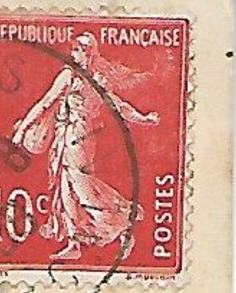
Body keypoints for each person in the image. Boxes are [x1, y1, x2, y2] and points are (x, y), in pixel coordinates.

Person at [9, 32, 160, 262]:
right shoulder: (82, 77)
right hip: (72, 136)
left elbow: (117, 106)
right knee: (66, 185)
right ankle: (74, 241)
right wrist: (144, 118)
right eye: (75, 49)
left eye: (80, 50)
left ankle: (121, 222)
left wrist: (143, 118)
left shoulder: (82, 78)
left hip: (77, 137)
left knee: (80, 187)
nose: (75, 54)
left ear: (90, 53)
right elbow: (47, 103)